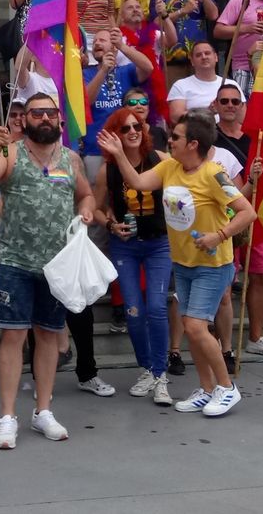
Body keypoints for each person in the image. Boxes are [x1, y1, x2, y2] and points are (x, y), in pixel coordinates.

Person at [99, 111, 257, 417]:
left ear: (193, 143)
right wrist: (119, 154)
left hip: (212, 265)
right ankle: (207, 388)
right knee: (189, 326)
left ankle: (226, 387)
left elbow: (246, 212)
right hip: (183, 261)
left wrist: (218, 235)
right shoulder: (170, 166)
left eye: (175, 137)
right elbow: (138, 182)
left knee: (196, 327)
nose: (168, 141)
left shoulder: (214, 174)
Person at [0, 94, 97, 449]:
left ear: (59, 118)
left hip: (57, 266)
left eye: (49, 113)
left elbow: (86, 195)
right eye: (36, 113)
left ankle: (43, 411)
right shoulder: (10, 154)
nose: (44, 118)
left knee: (49, 336)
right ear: (24, 119)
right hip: (15, 262)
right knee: (13, 337)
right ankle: (7, 417)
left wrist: (86, 210)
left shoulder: (71, 159)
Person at [94, 107, 174, 406]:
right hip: (125, 246)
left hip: (159, 243)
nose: (132, 132)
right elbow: (97, 209)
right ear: (115, 134)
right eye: (125, 128)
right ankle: (147, 369)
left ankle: (160, 373)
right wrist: (111, 224)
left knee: (155, 307)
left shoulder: (161, 161)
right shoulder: (108, 169)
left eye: (137, 127)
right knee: (133, 311)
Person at [209, 84, 263, 363]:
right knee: (225, 284)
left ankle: (255, 338)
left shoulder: (258, 137)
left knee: (262, 275)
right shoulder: (209, 139)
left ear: (243, 105)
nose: (230, 105)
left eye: (235, 101)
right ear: (215, 105)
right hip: (222, 220)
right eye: (224, 100)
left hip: (255, 217)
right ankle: (219, 344)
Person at [81, 30, 148, 179]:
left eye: (103, 40)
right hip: (95, 149)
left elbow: (148, 68)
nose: (97, 43)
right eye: (95, 41)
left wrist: (122, 46)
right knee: (98, 198)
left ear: (114, 48)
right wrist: (103, 70)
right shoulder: (85, 73)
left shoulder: (126, 71)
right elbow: (87, 101)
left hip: (126, 148)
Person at [156, 0, 219, 84]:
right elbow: (156, 23)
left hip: (200, 58)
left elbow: (213, 15)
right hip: (171, 60)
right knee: (174, 96)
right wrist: (182, 11)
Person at [166, 40, 239, 122]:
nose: (204, 57)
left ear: (216, 57)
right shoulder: (180, 85)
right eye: (198, 55)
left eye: (207, 53)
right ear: (192, 61)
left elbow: (243, 118)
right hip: (195, 133)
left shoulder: (231, 84)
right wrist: (207, 112)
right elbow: (176, 117)